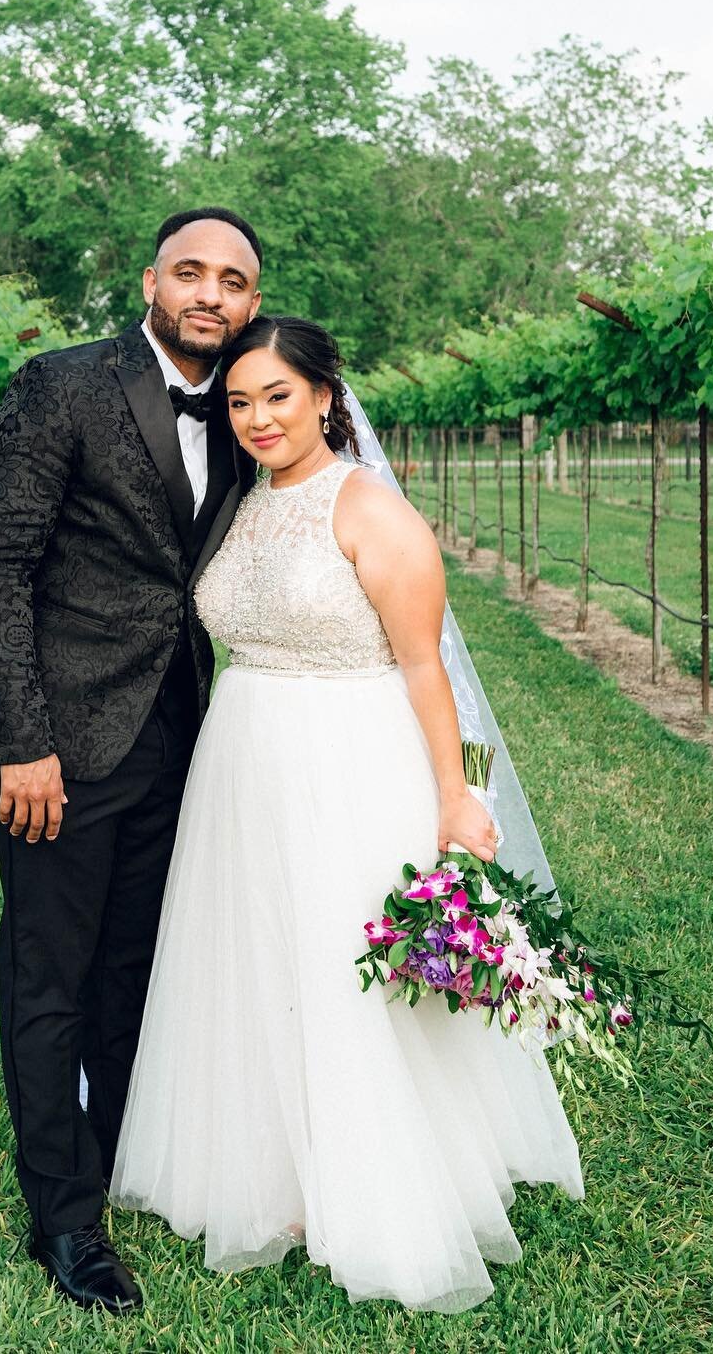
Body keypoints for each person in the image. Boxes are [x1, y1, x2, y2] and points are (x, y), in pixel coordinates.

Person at [111, 315, 584, 1314]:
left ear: (325, 395)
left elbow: (431, 667)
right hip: (242, 758)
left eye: (277, 395)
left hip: (352, 759)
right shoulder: (238, 502)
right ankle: (269, 1172)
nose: (257, 418)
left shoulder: (372, 511)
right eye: (238, 401)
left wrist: (460, 791)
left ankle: (372, 1186)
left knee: (339, 966)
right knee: (256, 959)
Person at [0, 208, 261, 1313]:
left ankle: (121, 1151)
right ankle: (66, 1221)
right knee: (50, 973)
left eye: (232, 279)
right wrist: (22, 738)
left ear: (252, 302)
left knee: (135, 965)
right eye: (191, 271)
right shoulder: (62, 383)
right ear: (151, 279)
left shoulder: (244, 403)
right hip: (58, 738)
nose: (209, 293)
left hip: (179, 731)